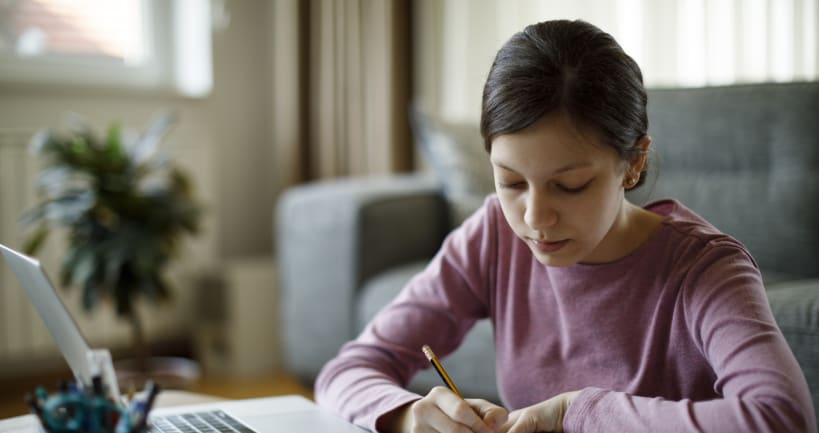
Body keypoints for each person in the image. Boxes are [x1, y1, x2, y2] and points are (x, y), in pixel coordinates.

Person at [314, 19, 817, 433]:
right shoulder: (493, 236)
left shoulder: (705, 268)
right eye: (511, 182)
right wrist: (407, 415)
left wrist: (576, 411)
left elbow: (781, 417)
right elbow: (347, 371)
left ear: (634, 163)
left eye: (570, 186)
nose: (534, 220)